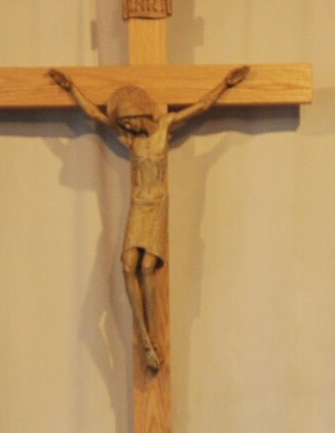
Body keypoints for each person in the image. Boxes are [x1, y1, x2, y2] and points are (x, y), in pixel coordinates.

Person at [47, 65, 249, 373]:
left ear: (140, 114)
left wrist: (225, 85)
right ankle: (145, 339)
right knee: (127, 265)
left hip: (156, 205)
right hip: (138, 205)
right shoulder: (132, 141)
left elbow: (200, 107)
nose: (126, 129)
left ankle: (154, 338)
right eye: (124, 125)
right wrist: (70, 88)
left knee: (145, 268)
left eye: (129, 122)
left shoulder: (164, 127)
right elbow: (95, 116)